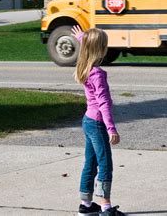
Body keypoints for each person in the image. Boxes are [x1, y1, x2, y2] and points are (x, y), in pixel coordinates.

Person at [71, 25, 125, 216]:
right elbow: (104, 105)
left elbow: (87, 47)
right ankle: (106, 208)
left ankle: (86, 205)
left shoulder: (84, 67)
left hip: (87, 120)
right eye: (104, 44)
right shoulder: (98, 74)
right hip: (97, 123)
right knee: (105, 164)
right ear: (100, 49)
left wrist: (81, 38)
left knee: (90, 162)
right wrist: (111, 129)